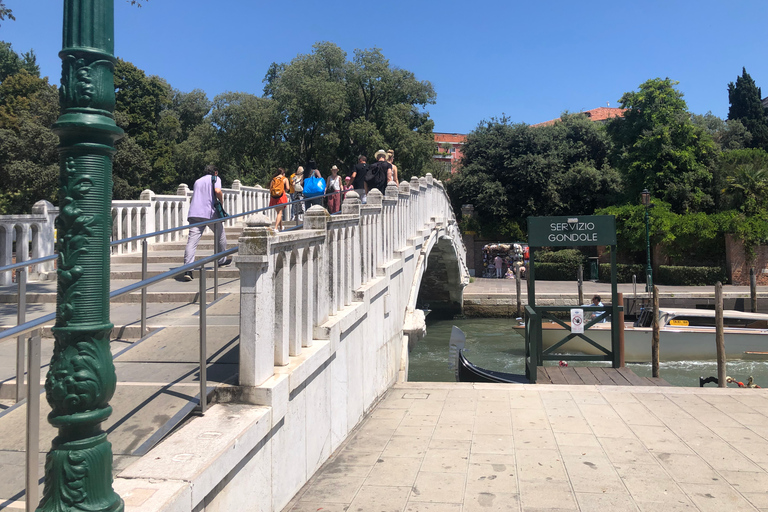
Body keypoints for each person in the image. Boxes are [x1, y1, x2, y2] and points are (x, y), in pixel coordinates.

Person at [182, 165, 231, 281]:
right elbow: (217, 190)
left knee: (192, 241)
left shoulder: (197, 181)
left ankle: (188, 269)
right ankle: (221, 260)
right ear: (215, 172)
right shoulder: (215, 178)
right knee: (220, 235)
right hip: (209, 213)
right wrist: (221, 201)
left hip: (194, 213)